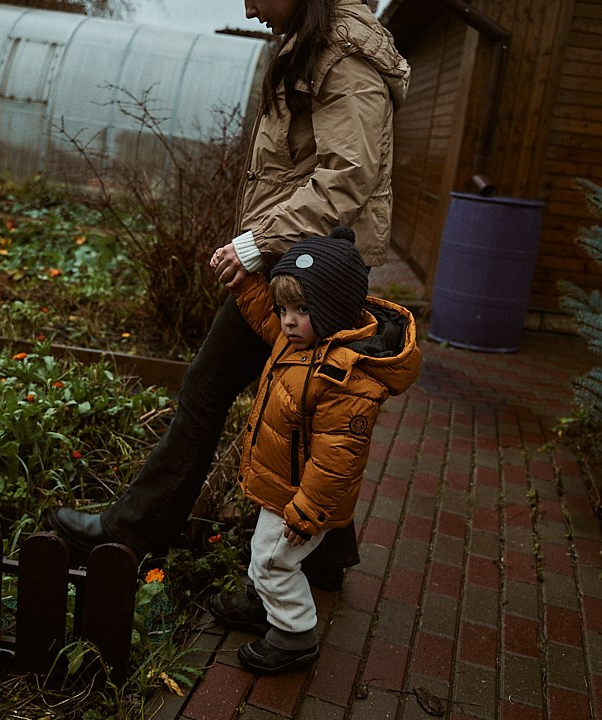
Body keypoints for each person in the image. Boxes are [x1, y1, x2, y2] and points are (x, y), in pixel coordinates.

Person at [46, 0, 411, 588]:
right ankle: (321, 562)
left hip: (311, 271)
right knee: (305, 411)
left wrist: (258, 243)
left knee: (217, 392)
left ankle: (130, 535)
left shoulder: (345, 52)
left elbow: (348, 174)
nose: (248, 6)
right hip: (298, 260)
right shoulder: (315, 40)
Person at [209, 227, 421, 675]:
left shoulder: (346, 380)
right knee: (263, 551)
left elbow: (337, 459)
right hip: (282, 480)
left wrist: (307, 512)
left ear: (332, 311)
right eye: (284, 308)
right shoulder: (300, 338)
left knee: (272, 558)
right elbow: (265, 318)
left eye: (301, 310)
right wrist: (246, 283)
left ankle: (294, 636)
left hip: (305, 496)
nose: (287, 320)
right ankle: (263, 601)